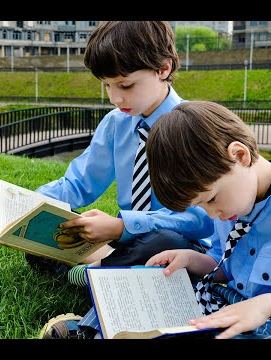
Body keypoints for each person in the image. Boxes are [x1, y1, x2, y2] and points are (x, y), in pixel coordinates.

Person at [33, 21, 214, 339]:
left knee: (163, 241)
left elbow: (202, 221)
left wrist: (121, 227)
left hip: (178, 245)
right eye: (106, 86)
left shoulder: (193, 127)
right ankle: (100, 272)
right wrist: (32, 200)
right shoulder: (117, 123)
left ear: (163, 68)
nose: (115, 98)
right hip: (127, 241)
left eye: (125, 85)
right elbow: (80, 183)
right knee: (44, 230)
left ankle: (86, 276)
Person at [144, 100, 271, 339]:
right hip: (232, 305)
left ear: (240, 155)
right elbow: (225, 265)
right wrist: (191, 259)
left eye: (211, 199)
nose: (212, 214)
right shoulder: (231, 207)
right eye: (201, 205)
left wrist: (267, 305)